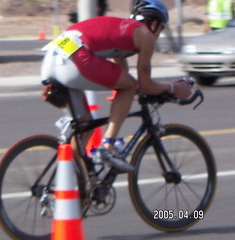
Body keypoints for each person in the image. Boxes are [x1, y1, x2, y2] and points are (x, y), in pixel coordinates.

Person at [41, 0, 192, 172]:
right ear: (154, 23)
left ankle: (76, 181)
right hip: (73, 59)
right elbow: (144, 84)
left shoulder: (122, 29)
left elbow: (120, 68)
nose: (159, 34)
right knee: (129, 86)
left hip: (51, 60)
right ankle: (109, 146)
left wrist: (123, 93)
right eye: (162, 28)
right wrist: (172, 88)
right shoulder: (145, 34)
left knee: (85, 125)